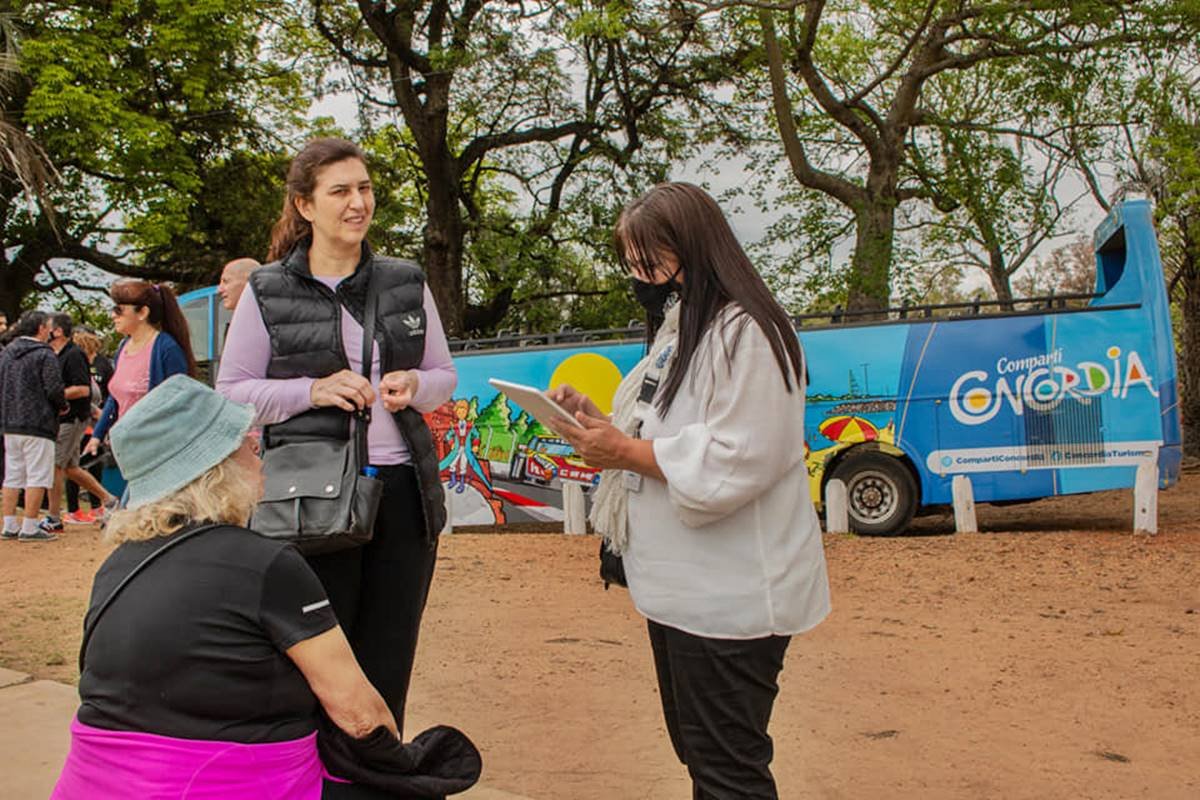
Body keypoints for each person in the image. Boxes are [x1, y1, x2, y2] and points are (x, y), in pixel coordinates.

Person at [548, 182, 831, 800]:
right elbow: (664, 427)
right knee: (701, 755)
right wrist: (599, 424)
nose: (639, 277)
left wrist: (622, 451)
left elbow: (741, 456)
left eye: (648, 263)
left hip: (731, 595)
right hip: (682, 589)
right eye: (631, 263)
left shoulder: (748, 331)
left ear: (694, 251)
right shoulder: (682, 330)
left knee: (728, 768)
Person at [51, 375, 399, 799]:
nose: (258, 447)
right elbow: (360, 716)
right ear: (215, 468)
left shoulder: (115, 566)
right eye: (242, 438)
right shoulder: (269, 565)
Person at [217, 137, 457, 742]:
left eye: (365, 188)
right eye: (341, 191)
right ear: (305, 205)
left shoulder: (405, 281)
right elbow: (233, 392)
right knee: (321, 664)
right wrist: (312, 391)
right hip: (310, 497)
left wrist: (414, 383)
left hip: (403, 495)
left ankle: (380, 778)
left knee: (388, 659)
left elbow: (445, 376)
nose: (358, 203)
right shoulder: (267, 291)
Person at [83, 279, 196, 459]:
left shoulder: (166, 348)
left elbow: (181, 403)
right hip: (131, 447)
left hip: (159, 449)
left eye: (119, 310)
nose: (113, 315)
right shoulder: (123, 347)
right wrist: (97, 435)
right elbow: (115, 398)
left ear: (142, 312)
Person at [42, 314, 116, 533]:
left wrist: (53, 395)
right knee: (70, 468)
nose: (44, 331)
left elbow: (83, 390)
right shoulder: (57, 354)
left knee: (55, 466)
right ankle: (111, 500)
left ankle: (54, 518)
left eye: (47, 327)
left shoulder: (73, 354)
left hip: (72, 418)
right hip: (63, 418)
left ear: (57, 331)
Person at [0, 311, 66, 542]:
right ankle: (29, 526)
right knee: (38, 475)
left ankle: (9, 524)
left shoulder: (7, 352)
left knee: (12, 475)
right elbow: (54, 388)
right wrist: (62, 406)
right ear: (40, 328)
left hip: (10, 422)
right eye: (48, 326)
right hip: (38, 422)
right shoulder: (44, 354)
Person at [63, 327, 113, 524]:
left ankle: (99, 506)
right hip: (79, 422)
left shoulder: (102, 364)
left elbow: (109, 393)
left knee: (91, 465)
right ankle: (73, 509)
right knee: (72, 466)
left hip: (94, 424)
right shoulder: (73, 360)